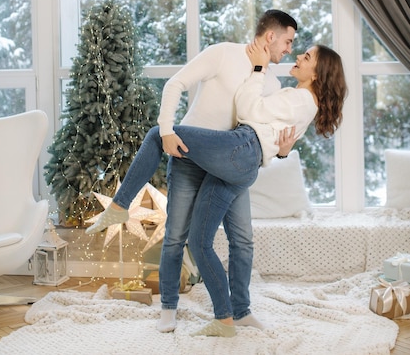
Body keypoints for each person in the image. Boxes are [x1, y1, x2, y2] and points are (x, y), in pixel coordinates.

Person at [86, 42, 347, 337]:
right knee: (198, 240)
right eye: (292, 45)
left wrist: (259, 69)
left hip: (241, 149)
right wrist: (283, 149)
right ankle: (224, 319)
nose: (296, 53)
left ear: (318, 73)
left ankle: (120, 206)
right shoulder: (291, 93)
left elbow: (252, 110)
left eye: (306, 55)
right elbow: (277, 136)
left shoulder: (299, 97)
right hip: (241, 160)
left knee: (157, 134)